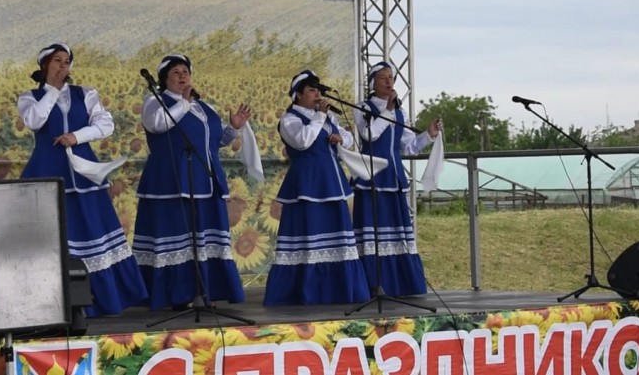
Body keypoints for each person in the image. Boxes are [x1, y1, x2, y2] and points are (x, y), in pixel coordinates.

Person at [17, 43, 147, 317]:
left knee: (92, 227)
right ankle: (53, 303)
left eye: (67, 61)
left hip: (84, 172)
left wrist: (77, 137)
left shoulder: (85, 94)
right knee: (53, 233)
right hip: (47, 170)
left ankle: (104, 299)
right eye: (57, 60)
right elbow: (35, 121)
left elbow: (105, 124)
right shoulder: (30, 98)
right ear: (45, 65)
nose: (63, 65)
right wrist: (52, 90)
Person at [133, 53, 250, 310]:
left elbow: (213, 142)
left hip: (205, 181)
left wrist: (233, 129)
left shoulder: (202, 106)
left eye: (185, 72)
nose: (182, 76)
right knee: (178, 236)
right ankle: (178, 294)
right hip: (173, 182)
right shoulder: (155, 102)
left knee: (205, 239)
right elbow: (157, 125)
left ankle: (206, 291)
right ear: (164, 78)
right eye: (176, 72)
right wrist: (184, 104)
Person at [263, 70, 370, 306]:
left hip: (331, 181)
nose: (317, 95)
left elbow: (348, 138)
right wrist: (320, 117)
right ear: (298, 95)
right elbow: (303, 141)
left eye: (319, 91)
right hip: (306, 185)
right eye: (312, 90)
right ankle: (304, 290)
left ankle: (339, 289)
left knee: (338, 234)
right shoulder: (290, 119)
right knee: (308, 235)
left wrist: (340, 139)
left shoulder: (326, 117)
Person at [351, 61, 441, 297]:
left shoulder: (400, 111)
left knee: (396, 231)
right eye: (383, 78)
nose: (388, 81)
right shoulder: (363, 108)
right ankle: (372, 283)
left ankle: (401, 283)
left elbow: (408, 146)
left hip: (393, 177)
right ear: (373, 82)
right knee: (372, 230)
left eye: (391, 77)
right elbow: (369, 134)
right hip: (372, 177)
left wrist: (428, 135)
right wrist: (388, 110)